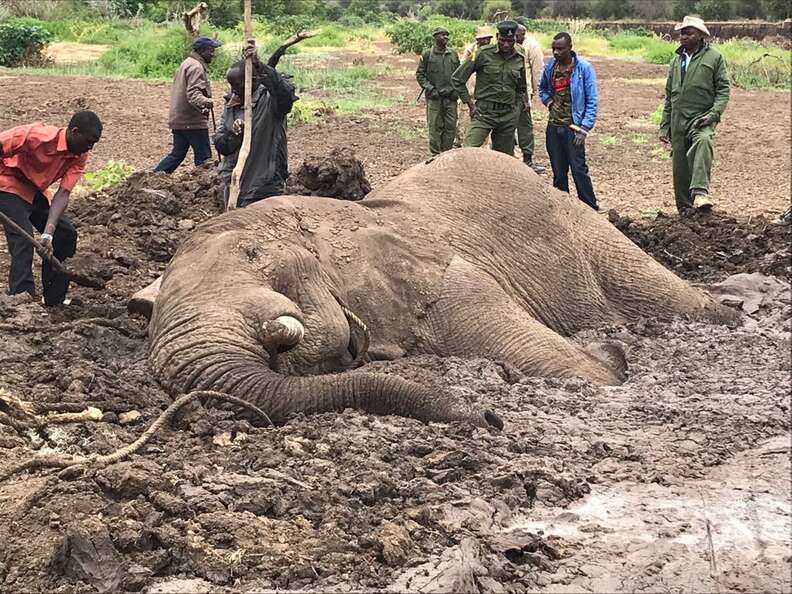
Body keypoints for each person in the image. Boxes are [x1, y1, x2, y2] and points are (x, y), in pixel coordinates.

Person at [0, 111, 102, 306]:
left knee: (65, 234)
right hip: (8, 183)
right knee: (23, 238)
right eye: (89, 141)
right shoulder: (36, 135)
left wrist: (48, 233)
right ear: (74, 132)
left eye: (94, 143)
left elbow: (63, 194)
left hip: (34, 191)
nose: (90, 147)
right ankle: (22, 300)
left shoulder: (79, 155)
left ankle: (54, 299)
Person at [214, 41, 298, 208]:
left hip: (262, 186)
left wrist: (259, 66)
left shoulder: (270, 102)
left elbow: (286, 96)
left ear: (252, 80)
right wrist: (233, 135)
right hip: (234, 184)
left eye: (237, 84)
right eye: (230, 85)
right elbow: (220, 144)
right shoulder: (231, 105)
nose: (233, 90)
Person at [659, 16, 730, 213]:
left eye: (689, 33)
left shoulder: (714, 58)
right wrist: (665, 126)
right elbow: (669, 96)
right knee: (680, 168)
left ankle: (700, 193)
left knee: (703, 141)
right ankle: (686, 212)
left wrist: (714, 114)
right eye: (682, 33)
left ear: (700, 35)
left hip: (701, 117)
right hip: (677, 121)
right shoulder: (676, 61)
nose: (683, 37)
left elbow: (724, 90)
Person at [539, 32, 599, 210]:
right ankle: (563, 209)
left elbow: (592, 100)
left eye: (560, 49)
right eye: (554, 49)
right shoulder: (551, 67)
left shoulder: (583, 68)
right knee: (558, 172)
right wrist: (549, 103)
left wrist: (584, 128)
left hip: (574, 127)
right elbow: (542, 89)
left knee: (579, 170)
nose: (556, 52)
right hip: (554, 126)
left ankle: (590, 208)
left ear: (570, 48)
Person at [452, 20, 528, 155]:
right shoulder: (482, 53)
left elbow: (521, 87)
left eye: (510, 41)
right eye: (503, 40)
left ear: (515, 38)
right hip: (483, 114)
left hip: (507, 115)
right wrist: (470, 104)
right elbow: (457, 79)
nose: (506, 44)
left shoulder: (520, 55)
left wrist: (517, 109)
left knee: (504, 158)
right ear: (497, 36)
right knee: (467, 152)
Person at [154, 36, 222, 174]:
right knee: (204, 159)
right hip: (192, 121)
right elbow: (193, 95)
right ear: (202, 51)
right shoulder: (196, 67)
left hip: (179, 119)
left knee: (177, 153)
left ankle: (153, 176)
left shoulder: (187, 63)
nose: (213, 54)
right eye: (211, 50)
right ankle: (206, 186)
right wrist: (208, 102)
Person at [416, 27, 460, 155]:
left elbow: (459, 74)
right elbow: (420, 75)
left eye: (447, 35)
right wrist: (430, 88)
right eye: (442, 35)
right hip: (435, 98)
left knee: (450, 126)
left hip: (450, 98)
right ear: (435, 37)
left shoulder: (453, 54)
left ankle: (446, 153)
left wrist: (456, 91)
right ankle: (435, 155)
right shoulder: (427, 54)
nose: (445, 37)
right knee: (434, 126)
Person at [455, 26, 494, 147]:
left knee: (483, 126)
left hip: (484, 96)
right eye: (483, 39)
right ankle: (462, 145)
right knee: (463, 123)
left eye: (488, 39)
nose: (486, 41)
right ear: (478, 39)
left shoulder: (493, 52)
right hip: (468, 93)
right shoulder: (471, 50)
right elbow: (461, 71)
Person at [515, 24, 546, 173]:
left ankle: (527, 160)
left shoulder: (531, 46)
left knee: (525, 127)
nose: (516, 38)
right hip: (505, 95)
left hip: (523, 94)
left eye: (520, 35)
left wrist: (534, 92)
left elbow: (537, 70)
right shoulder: (506, 44)